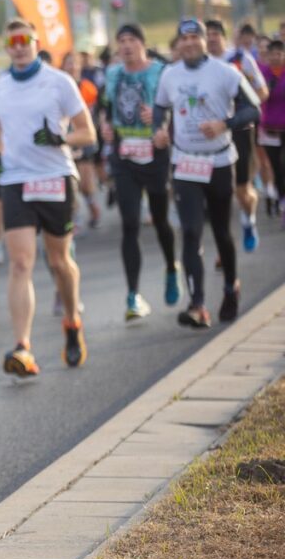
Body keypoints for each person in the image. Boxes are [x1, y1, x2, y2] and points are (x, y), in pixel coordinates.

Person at [0, 18, 98, 377]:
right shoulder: (0, 86)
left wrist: (61, 140)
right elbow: (5, 130)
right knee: (20, 263)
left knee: (59, 262)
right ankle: (23, 347)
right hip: (17, 181)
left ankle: (72, 320)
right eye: (13, 41)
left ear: (35, 42)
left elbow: (88, 133)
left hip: (55, 178)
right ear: (6, 47)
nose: (19, 46)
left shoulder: (58, 81)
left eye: (25, 39)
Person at [153, 19, 261, 328]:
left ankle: (230, 286)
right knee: (190, 231)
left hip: (219, 161)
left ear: (204, 41)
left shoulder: (225, 72)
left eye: (194, 37)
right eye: (183, 38)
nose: (188, 43)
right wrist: (158, 130)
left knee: (222, 234)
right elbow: (161, 107)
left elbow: (252, 109)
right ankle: (197, 303)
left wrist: (223, 125)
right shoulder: (169, 75)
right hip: (185, 162)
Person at [101, 23, 180, 321]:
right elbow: (105, 106)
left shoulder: (162, 72)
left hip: (155, 152)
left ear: (142, 43)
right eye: (121, 41)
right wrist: (104, 124)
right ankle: (133, 295)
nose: (125, 46)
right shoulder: (113, 73)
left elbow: (176, 105)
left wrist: (162, 121)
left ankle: (172, 267)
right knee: (130, 223)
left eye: (131, 39)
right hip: (125, 155)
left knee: (160, 220)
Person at [206, 19, 269, 252]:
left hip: (240, 132)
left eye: (215, 33)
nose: (211, 38)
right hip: (212, 136)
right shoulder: (200, 65)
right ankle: (223, 246)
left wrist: (241, 111)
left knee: (242, 190)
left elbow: (261, 92)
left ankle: (248, 220)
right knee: (219, 193)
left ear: (223, 36)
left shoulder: (240, 59)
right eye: (208, 34)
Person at [61, 52, 102, 229]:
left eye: (75, 63)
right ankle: (74, 218)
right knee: (71, 184)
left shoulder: (88, 87)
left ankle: (93, 206)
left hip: (84, 138)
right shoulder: (58, 86)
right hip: (65, 139)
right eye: (68, 63)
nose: (72, 67)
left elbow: (95, 115)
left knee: (86, 185)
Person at [258, 39, 285, 225]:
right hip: (270, 129)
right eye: (272, 53)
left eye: (279, 53)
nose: (276, 57)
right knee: (276, 168)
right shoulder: (263, 74)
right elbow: (258, 98)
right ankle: (280, 199)